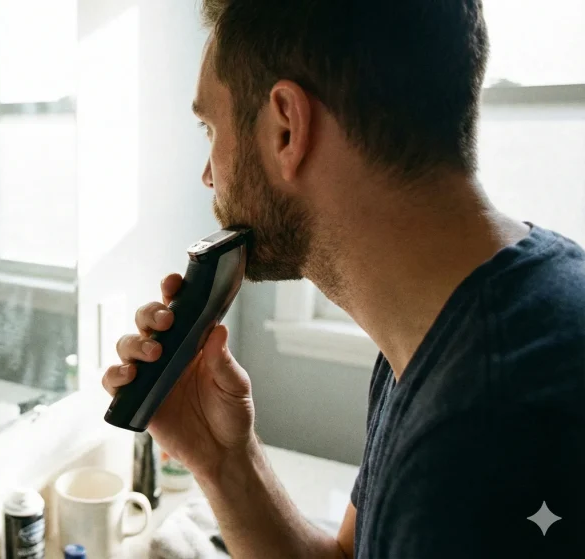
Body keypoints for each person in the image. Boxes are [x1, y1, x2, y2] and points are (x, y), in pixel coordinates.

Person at [103, 1, 584, 557]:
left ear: (287, 127)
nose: (208, 175)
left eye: (210, 127)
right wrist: (221, 459)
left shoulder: (482, 438)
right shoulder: (442, 326)